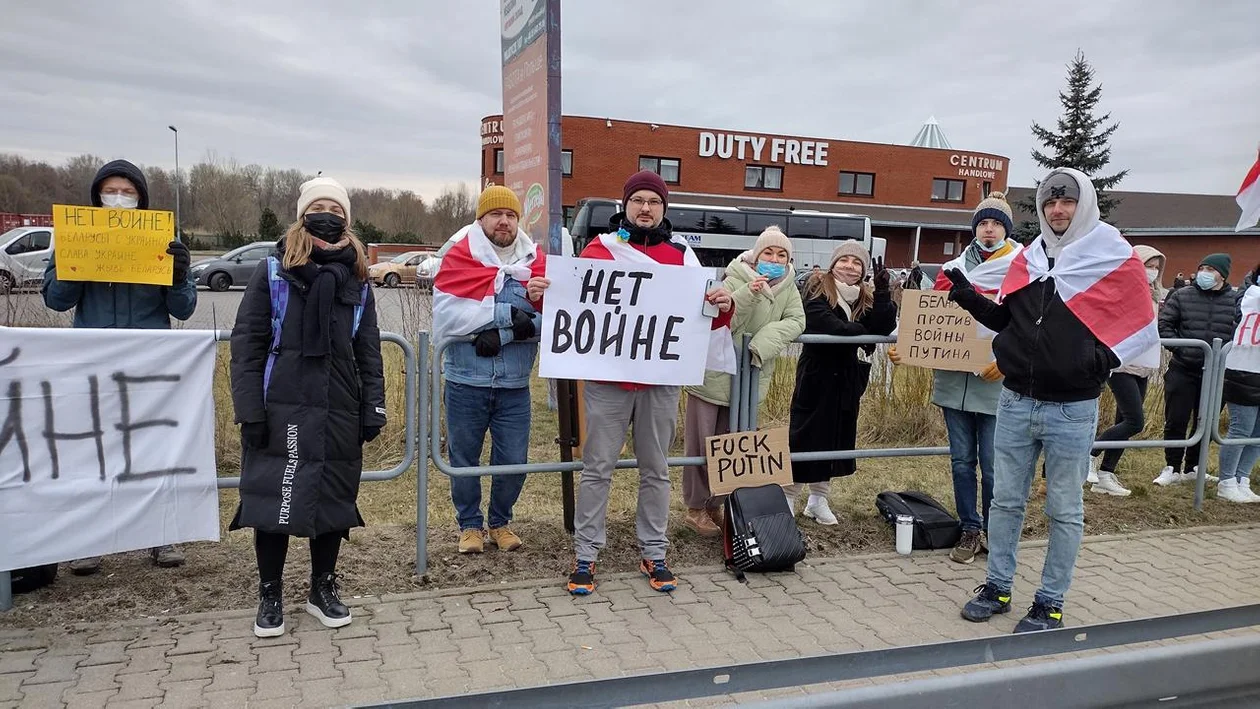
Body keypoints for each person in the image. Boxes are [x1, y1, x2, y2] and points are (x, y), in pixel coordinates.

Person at [948, 168, 1157, 632]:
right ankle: (998, 585)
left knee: (1064, 508)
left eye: (1066, 202)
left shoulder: (1111, 255)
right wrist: (967, 297)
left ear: (1082, 205)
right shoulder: (1030, 257)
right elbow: (1007, 320)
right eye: (1049, 203)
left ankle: (1050, 600)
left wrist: (1099, 360)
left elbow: (1139, 320)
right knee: (1004, 502)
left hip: (1072, 407)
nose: (1057, 211)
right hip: (1016, 399)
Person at [229, 177, 385, 637]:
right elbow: (248, 345)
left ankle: (322, 587)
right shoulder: (274, 271)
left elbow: (368, 349)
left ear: (347, 221)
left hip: (338, 406)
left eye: (336, 211)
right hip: (282, 405)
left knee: (331, 499)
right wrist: (249, 410)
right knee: (272, 497)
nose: (327, 216)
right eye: (318, 207)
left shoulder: (357, 276)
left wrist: (373, 405)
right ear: (301, 214)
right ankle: (270, 592)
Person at [567, 170, 734, 595]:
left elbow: (706, 315)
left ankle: (654, 552)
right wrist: (543, 293)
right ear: (624, 205)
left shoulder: (682, 256)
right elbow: (572, 300)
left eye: (653, 202)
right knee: (597, 468)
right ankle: (585, 555)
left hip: (660, 383)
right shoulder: (598, 250)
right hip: (609, 381)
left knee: (656, 469)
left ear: (664, 209)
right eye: (638, 200)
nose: (645, 208)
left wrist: (724, 304)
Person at [42, 158, 196, 575]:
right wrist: (76, 260)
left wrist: (179, 275)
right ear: (96, 196)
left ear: (142, 200)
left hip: (149, 360)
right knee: (92, 450)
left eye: (128, 193)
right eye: (111, 191)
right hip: (93, 361)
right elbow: (55, 299)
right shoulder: (75, 234)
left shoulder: (163, 238)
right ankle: (89, 540)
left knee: (153, 447)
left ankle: (162, 535)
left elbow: (184, 309)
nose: (119, 199)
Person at [889, 192, 1022, 564]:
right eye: (983, 223)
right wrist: (905, 345)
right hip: (953, 381)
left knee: (994, 465)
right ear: (974, 229)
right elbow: (926, 316)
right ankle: (969, 529)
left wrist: (1009, 361)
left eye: (996, 223)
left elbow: (1027, 323)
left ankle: (997, 532)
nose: (989, 229)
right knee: (962, 461)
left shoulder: (1020, 268)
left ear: (1006, 230)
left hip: (995, 380)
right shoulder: (951, 270)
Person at [431, 186, 549, 554]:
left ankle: (500, 522)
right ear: (481, 219)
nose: (504, 221)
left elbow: (556, 319)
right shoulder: (458, 256)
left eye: (511, 215)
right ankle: (469, 525)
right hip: (466, 382)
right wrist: (508, 317)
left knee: (513, 460)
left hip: (515, 384)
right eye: (496, 214)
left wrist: (510, 325)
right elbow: (446, 318)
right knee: (464, 458)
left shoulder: (535, 262)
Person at [681, 226, 805, 535]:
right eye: (768, 252)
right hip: (713, 376)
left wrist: (762, 343)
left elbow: (797, 320)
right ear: (756, 254)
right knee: (701, 443)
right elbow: (725, 321)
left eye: (781, 255)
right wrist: (747, 294)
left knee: (733, 444)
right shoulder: (734, 278)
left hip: (749, 377)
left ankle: (717, 506)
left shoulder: (788, 287)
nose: (774, 259)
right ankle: (695, 508)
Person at [787, 241, 896, 523]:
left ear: (863, 270)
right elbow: (827, 324)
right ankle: (788, 496)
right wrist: (862, 333)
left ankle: (818, 499)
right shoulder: (817, 287)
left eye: (856, 262)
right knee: (805, 435)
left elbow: (883, 327)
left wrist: (883, 293)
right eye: (844, 260)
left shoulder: (864, 296)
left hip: (847, 376)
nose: (849, 266)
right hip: (817, 374)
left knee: (835, 436)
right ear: (833, 264)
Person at [1087, 246, 1167, 497]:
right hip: (1121, 364)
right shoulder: (1123, 290)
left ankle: (1106, 475)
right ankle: (1089, 454)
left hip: (1143, 366)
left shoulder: (1155, 296)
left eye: (1156, 266)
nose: (1152, 271)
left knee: (1124, 421)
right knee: (1135, 421)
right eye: (1148, 265)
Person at [1154, 253, 1238, 486]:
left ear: (1222, 274)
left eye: (1211, 270)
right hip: (1183, 369)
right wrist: (1183, 350)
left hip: (1216, 374)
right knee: (1176, 419)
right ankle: (1172, 466)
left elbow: (1238, 333)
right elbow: (1165, 326)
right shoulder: (1182, 295)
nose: (1205, 274)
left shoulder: (1234, 300)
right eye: (1203, 268)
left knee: (1206, 420)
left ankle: (1193, 467)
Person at [1217, 264, 1260, 503]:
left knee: (1258, 432)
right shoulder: (1247, 295)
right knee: (1241, 429)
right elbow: (1239, 319)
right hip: (1244, 371)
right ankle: (1226, 480)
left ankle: (1243, 478)